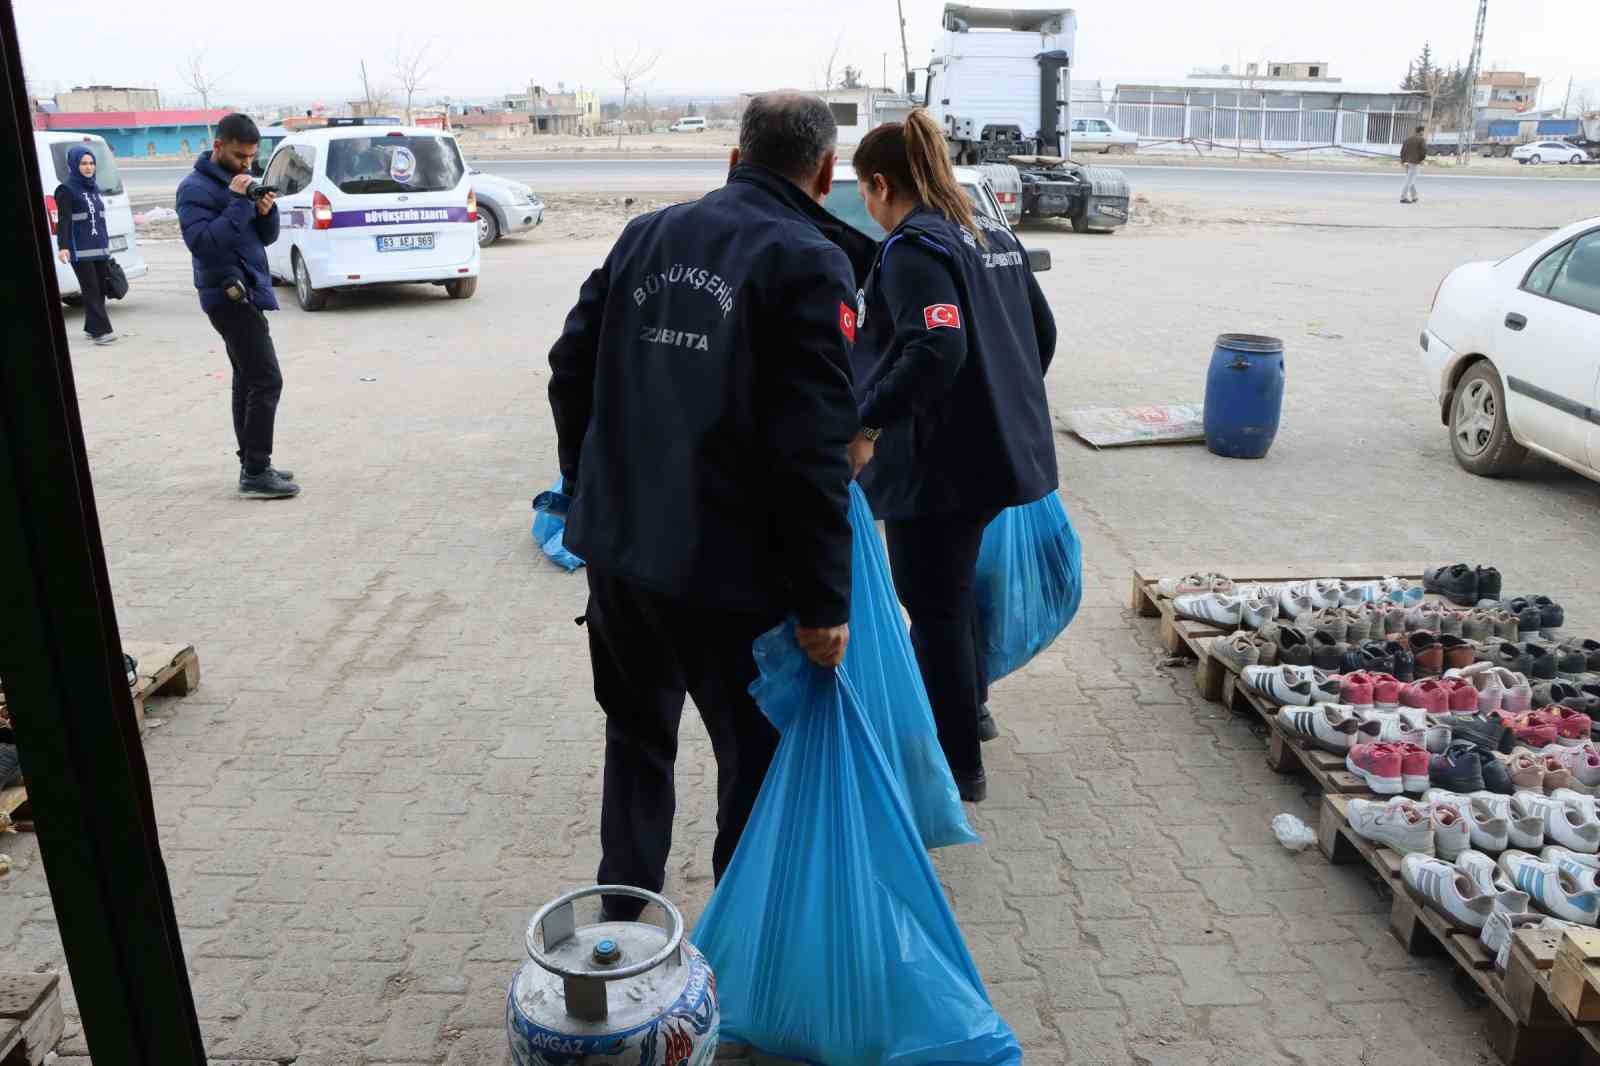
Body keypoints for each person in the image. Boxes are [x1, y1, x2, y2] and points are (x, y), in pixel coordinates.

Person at [548, 92, 867, 919]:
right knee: (749, 764)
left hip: (623, 562)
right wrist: (825, 601)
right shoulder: (809, 259)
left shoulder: (647, 234)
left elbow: (567, 366)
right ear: (825, 171)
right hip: (733, 582)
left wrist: (590, 490)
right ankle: (736, 949)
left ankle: (621, 928)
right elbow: (812, 450)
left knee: (637, 741)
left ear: (734, 156)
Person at [848, 109, 1058, 803]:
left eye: (867, 197)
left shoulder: (914, 247)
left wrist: (870, 423)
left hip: (939, 465)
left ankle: (957, 766)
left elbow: (936, 346)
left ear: (881, 185)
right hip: (996, 454)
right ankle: (972, 709)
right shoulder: (987, 229)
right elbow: (1042, 331)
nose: (872, 213)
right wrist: (1003, 400)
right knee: (954, 592)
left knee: (933, 607)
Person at [176, 113, 299, 499]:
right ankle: (256, 472)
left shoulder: (244, 184)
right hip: (227, 295)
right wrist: (237, 202)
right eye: (239, 155)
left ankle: (253, 462)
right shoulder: (194, 189)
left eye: (251, 157)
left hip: (250, 289)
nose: (247, 163)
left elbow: (263, 238)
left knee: (247, 378)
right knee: (267, 379)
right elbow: (203, 244)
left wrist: (266, 211)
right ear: (218, 147)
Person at [54, 145, 118, 346]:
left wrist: (106, 245)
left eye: (91, 163)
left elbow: (99, 219)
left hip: (99, 247)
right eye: (83, 163)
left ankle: (92, 327)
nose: (88, 167)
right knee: (90, 289)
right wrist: (63, 246)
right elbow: (63, 220)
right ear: (74, 164)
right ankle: (102, 331)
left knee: (100, 289)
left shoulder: (94, 188)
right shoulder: (66, 189)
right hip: (79, 249)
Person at [1400, 125, 1427, 204]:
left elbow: (1402, 151)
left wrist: (1403, 161)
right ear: (1421, 131)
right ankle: (1403, 197)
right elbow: (1424, 151)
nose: (1423, 133)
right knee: (1409, 181)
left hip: (1407, 163)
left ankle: (1414, 196)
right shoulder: (1421, 140)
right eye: (1423, 131)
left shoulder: (1407, 139)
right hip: (1415, 163)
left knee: (1410, 180)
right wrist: (1421, 159)